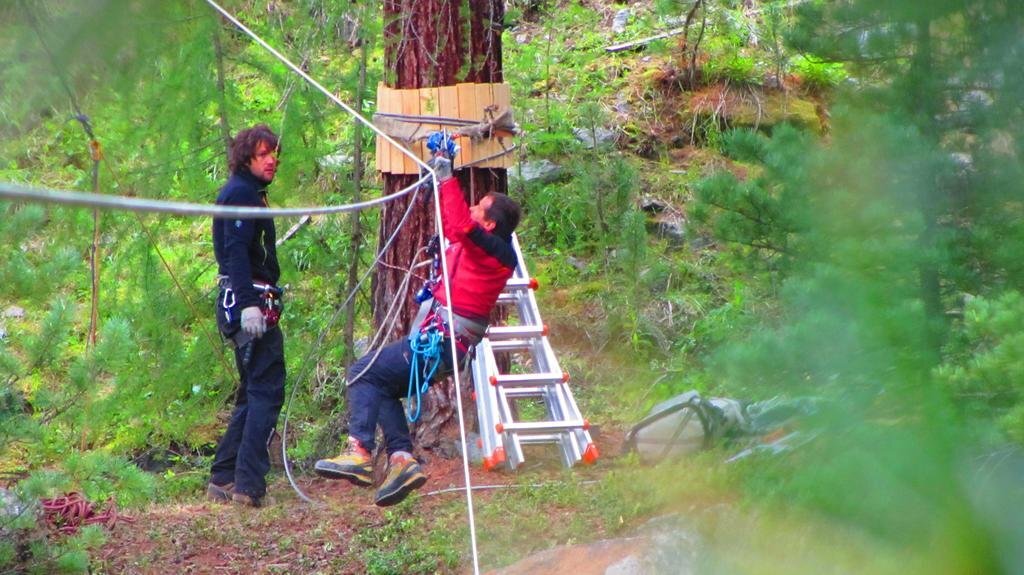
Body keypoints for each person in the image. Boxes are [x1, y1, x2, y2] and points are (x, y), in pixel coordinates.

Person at [315, 155, 521, 506]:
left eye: (479, 207)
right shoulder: (485, 249)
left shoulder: (496, 252)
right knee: (381, 386)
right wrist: (440, 187)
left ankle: (359, 452)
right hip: (443, 343)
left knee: (363, 372)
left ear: (489, 224)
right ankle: (401, 460)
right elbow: (455, 230)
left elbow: (460, 227)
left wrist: (447, 180)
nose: (472, 208)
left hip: (441, 341)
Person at [206, 124, 286, 508]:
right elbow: (235, 251)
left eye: (274, 153)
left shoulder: (250, 192)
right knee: (267, 389)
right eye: (263, 154)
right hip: (247, 301)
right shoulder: (240, 193)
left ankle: (224, 475)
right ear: (246, 158)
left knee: (253, 390)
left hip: (248, 296)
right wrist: (248, 304)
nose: (271, 160)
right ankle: (248, 485)